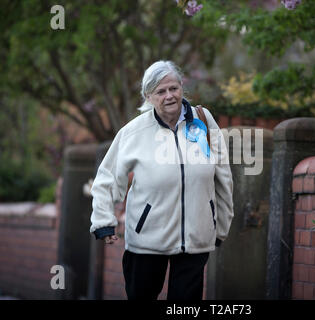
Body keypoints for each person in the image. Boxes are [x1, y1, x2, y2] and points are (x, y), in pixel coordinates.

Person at [89, 60, 234, 300]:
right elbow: (106, 178)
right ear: (148, 96)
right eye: (160, 91)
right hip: (146, 241)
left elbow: (223, 177)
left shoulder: (204, 121)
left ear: (181, 87)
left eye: (173, 88)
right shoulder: (133, 132)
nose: (169, 96)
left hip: (195, 239)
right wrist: (104, 220)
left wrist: (220, 226)